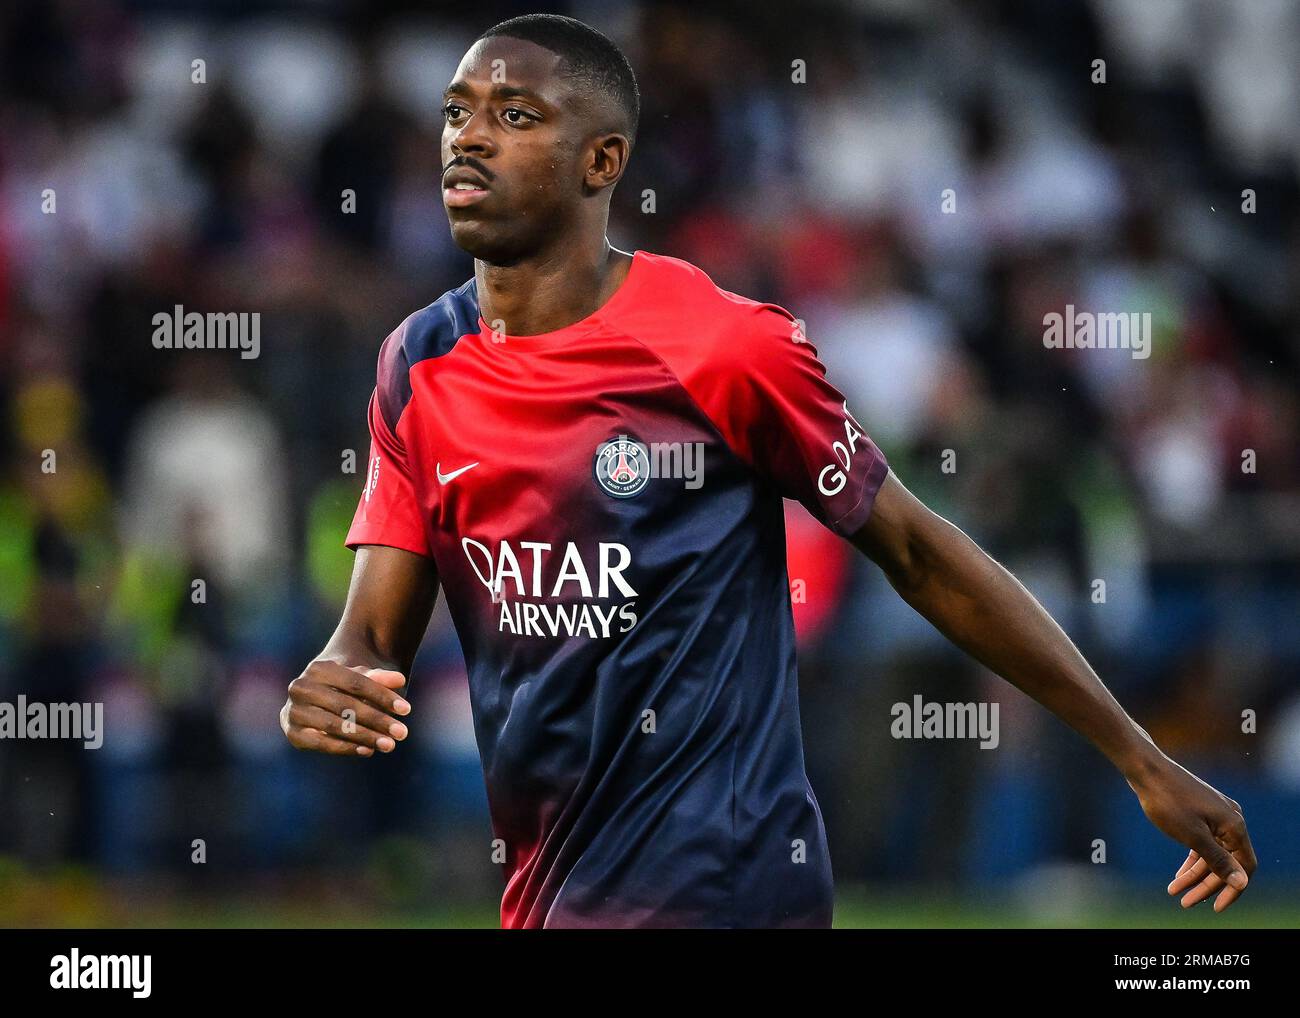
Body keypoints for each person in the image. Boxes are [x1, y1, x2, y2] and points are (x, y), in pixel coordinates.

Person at [280, 13, 1256, 928]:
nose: (469, 137)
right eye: (457, 113)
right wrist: (340, 672)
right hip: (551, 897)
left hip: (730, 888)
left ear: (601, 160)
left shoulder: (722, 348)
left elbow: (916, 549)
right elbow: (374, 627)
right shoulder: (419, 359)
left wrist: (1138, 755)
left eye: (515, 115)